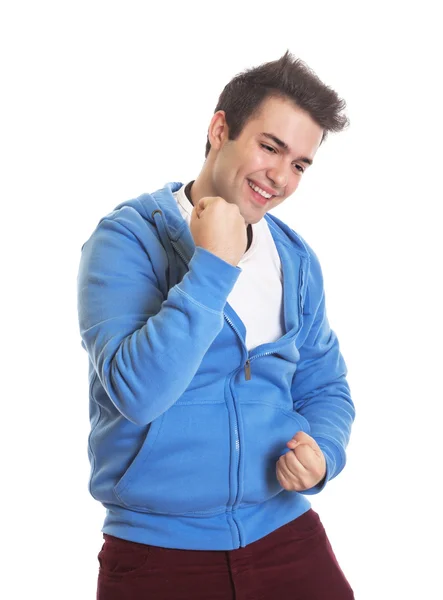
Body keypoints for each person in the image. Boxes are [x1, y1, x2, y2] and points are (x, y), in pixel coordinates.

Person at [77, 51, 356, 599]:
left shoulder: (295, 261)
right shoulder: (127, 241)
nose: (279, 177)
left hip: (283, 534)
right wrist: (214, 267)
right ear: (220, 128)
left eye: (299, 164)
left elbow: (326, 387)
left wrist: (323, 451)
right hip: (157, 551)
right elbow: (138, 392)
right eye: (270, 147)